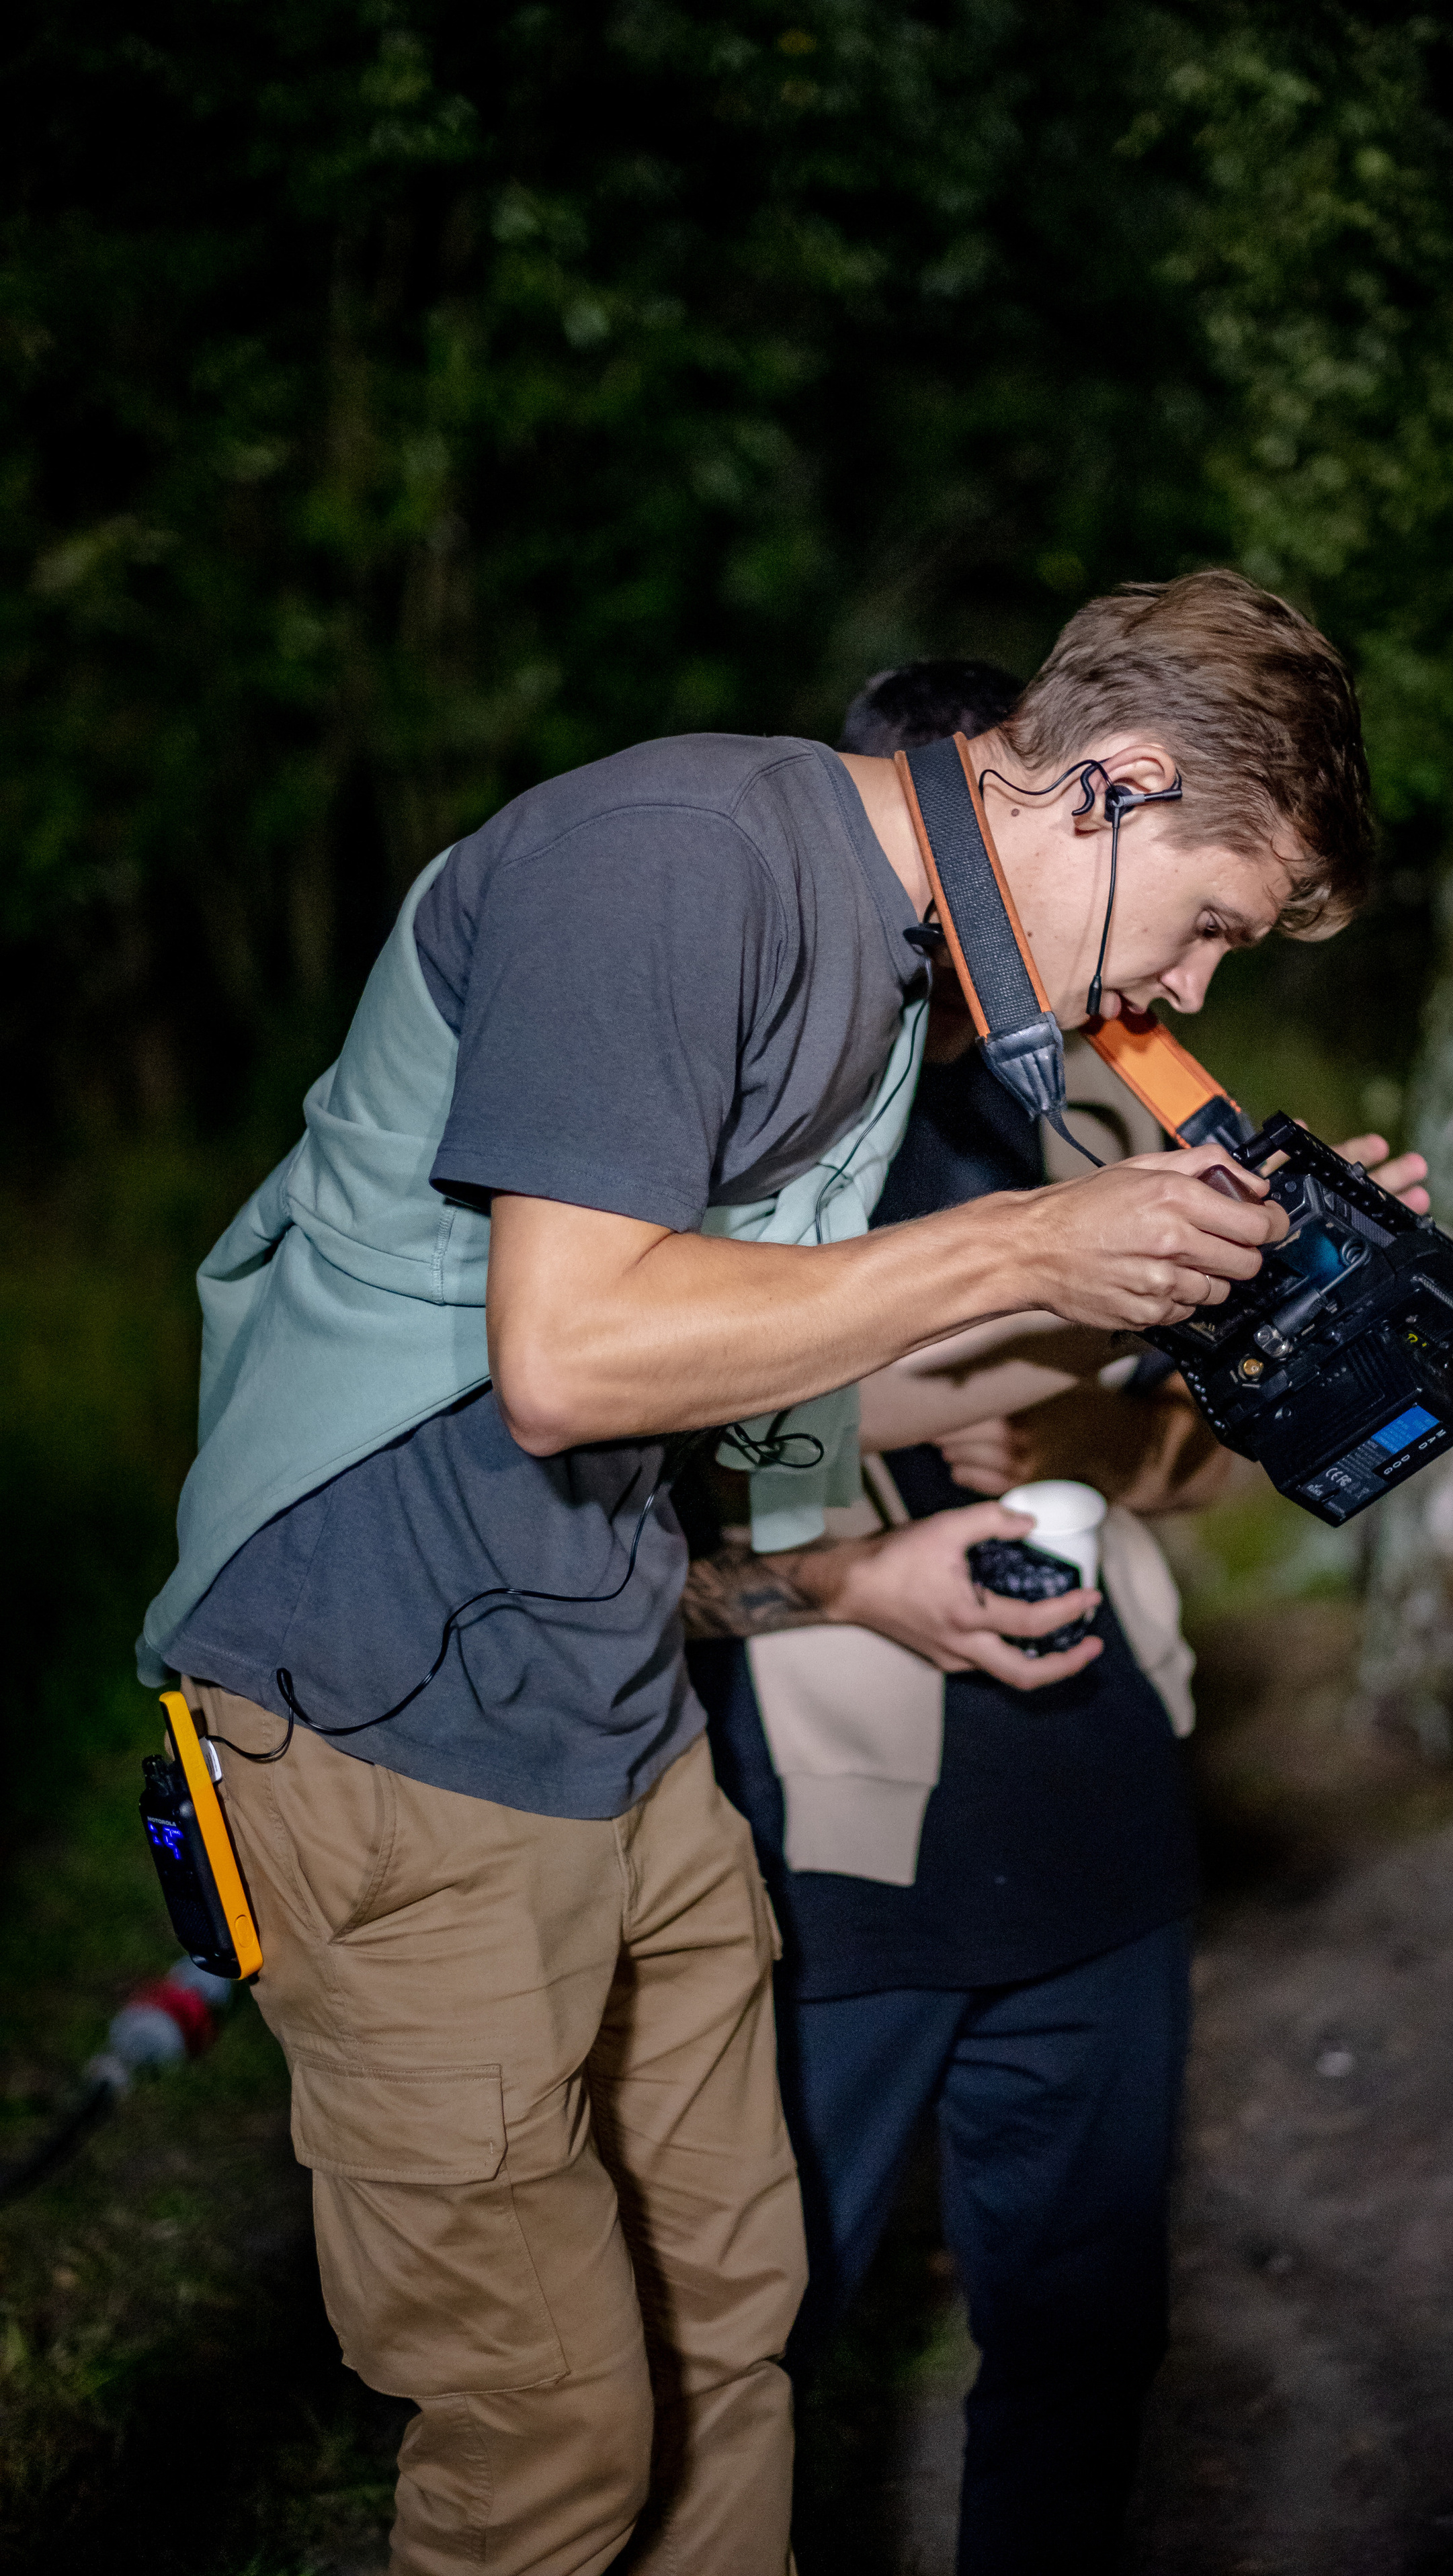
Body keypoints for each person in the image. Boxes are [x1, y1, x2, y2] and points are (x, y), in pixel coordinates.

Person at [138, 569, 1373, 2576]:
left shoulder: (887, 977)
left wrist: (1250, 1297)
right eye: (1215, 919)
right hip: (388, 1713)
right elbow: (569, 1358)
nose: (1197, 989)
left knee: (734, 2343)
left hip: (620, 1722)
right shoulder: (677, 859)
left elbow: (788, 1389)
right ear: (1121, 788)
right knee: (552, 2438)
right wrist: (1028, 1255)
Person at [682, 658, 1425, 2575]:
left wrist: (1263, 1342)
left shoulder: (1095, 1095)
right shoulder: (758, 1109)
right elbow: (664, 1466)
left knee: (1084, 2357)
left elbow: (1175, 1469)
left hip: (1100, 1822)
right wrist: (867, 1545)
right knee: (750, 2350)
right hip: (845, 1848)